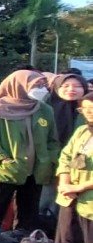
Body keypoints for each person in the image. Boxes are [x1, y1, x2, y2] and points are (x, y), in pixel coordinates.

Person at [0, 70, 61, 231]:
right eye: (36, 85)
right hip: (4, 170)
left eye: (43, 85)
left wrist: (50, 161)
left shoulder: (45, 109)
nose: (41, 89)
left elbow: (52, 140)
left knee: (28, 214)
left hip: (35, 171)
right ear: (19, 86)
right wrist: (3, 158)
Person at [54, 91, 93, 243]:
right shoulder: (81, 131)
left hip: (89, 200)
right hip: (69, 197)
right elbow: (66, 157)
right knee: (68, 242)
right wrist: (65, 181)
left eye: (92, 109)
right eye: (84, 109)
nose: (89, 114)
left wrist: (79, 187)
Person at [42, 73, 90, 215]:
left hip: (83, 168)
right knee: (47, 201)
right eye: (66, 86)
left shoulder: (88, 109)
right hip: (48, 163)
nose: (71, 89)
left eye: (77, 86)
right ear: (56, 87)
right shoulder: (44, 109)